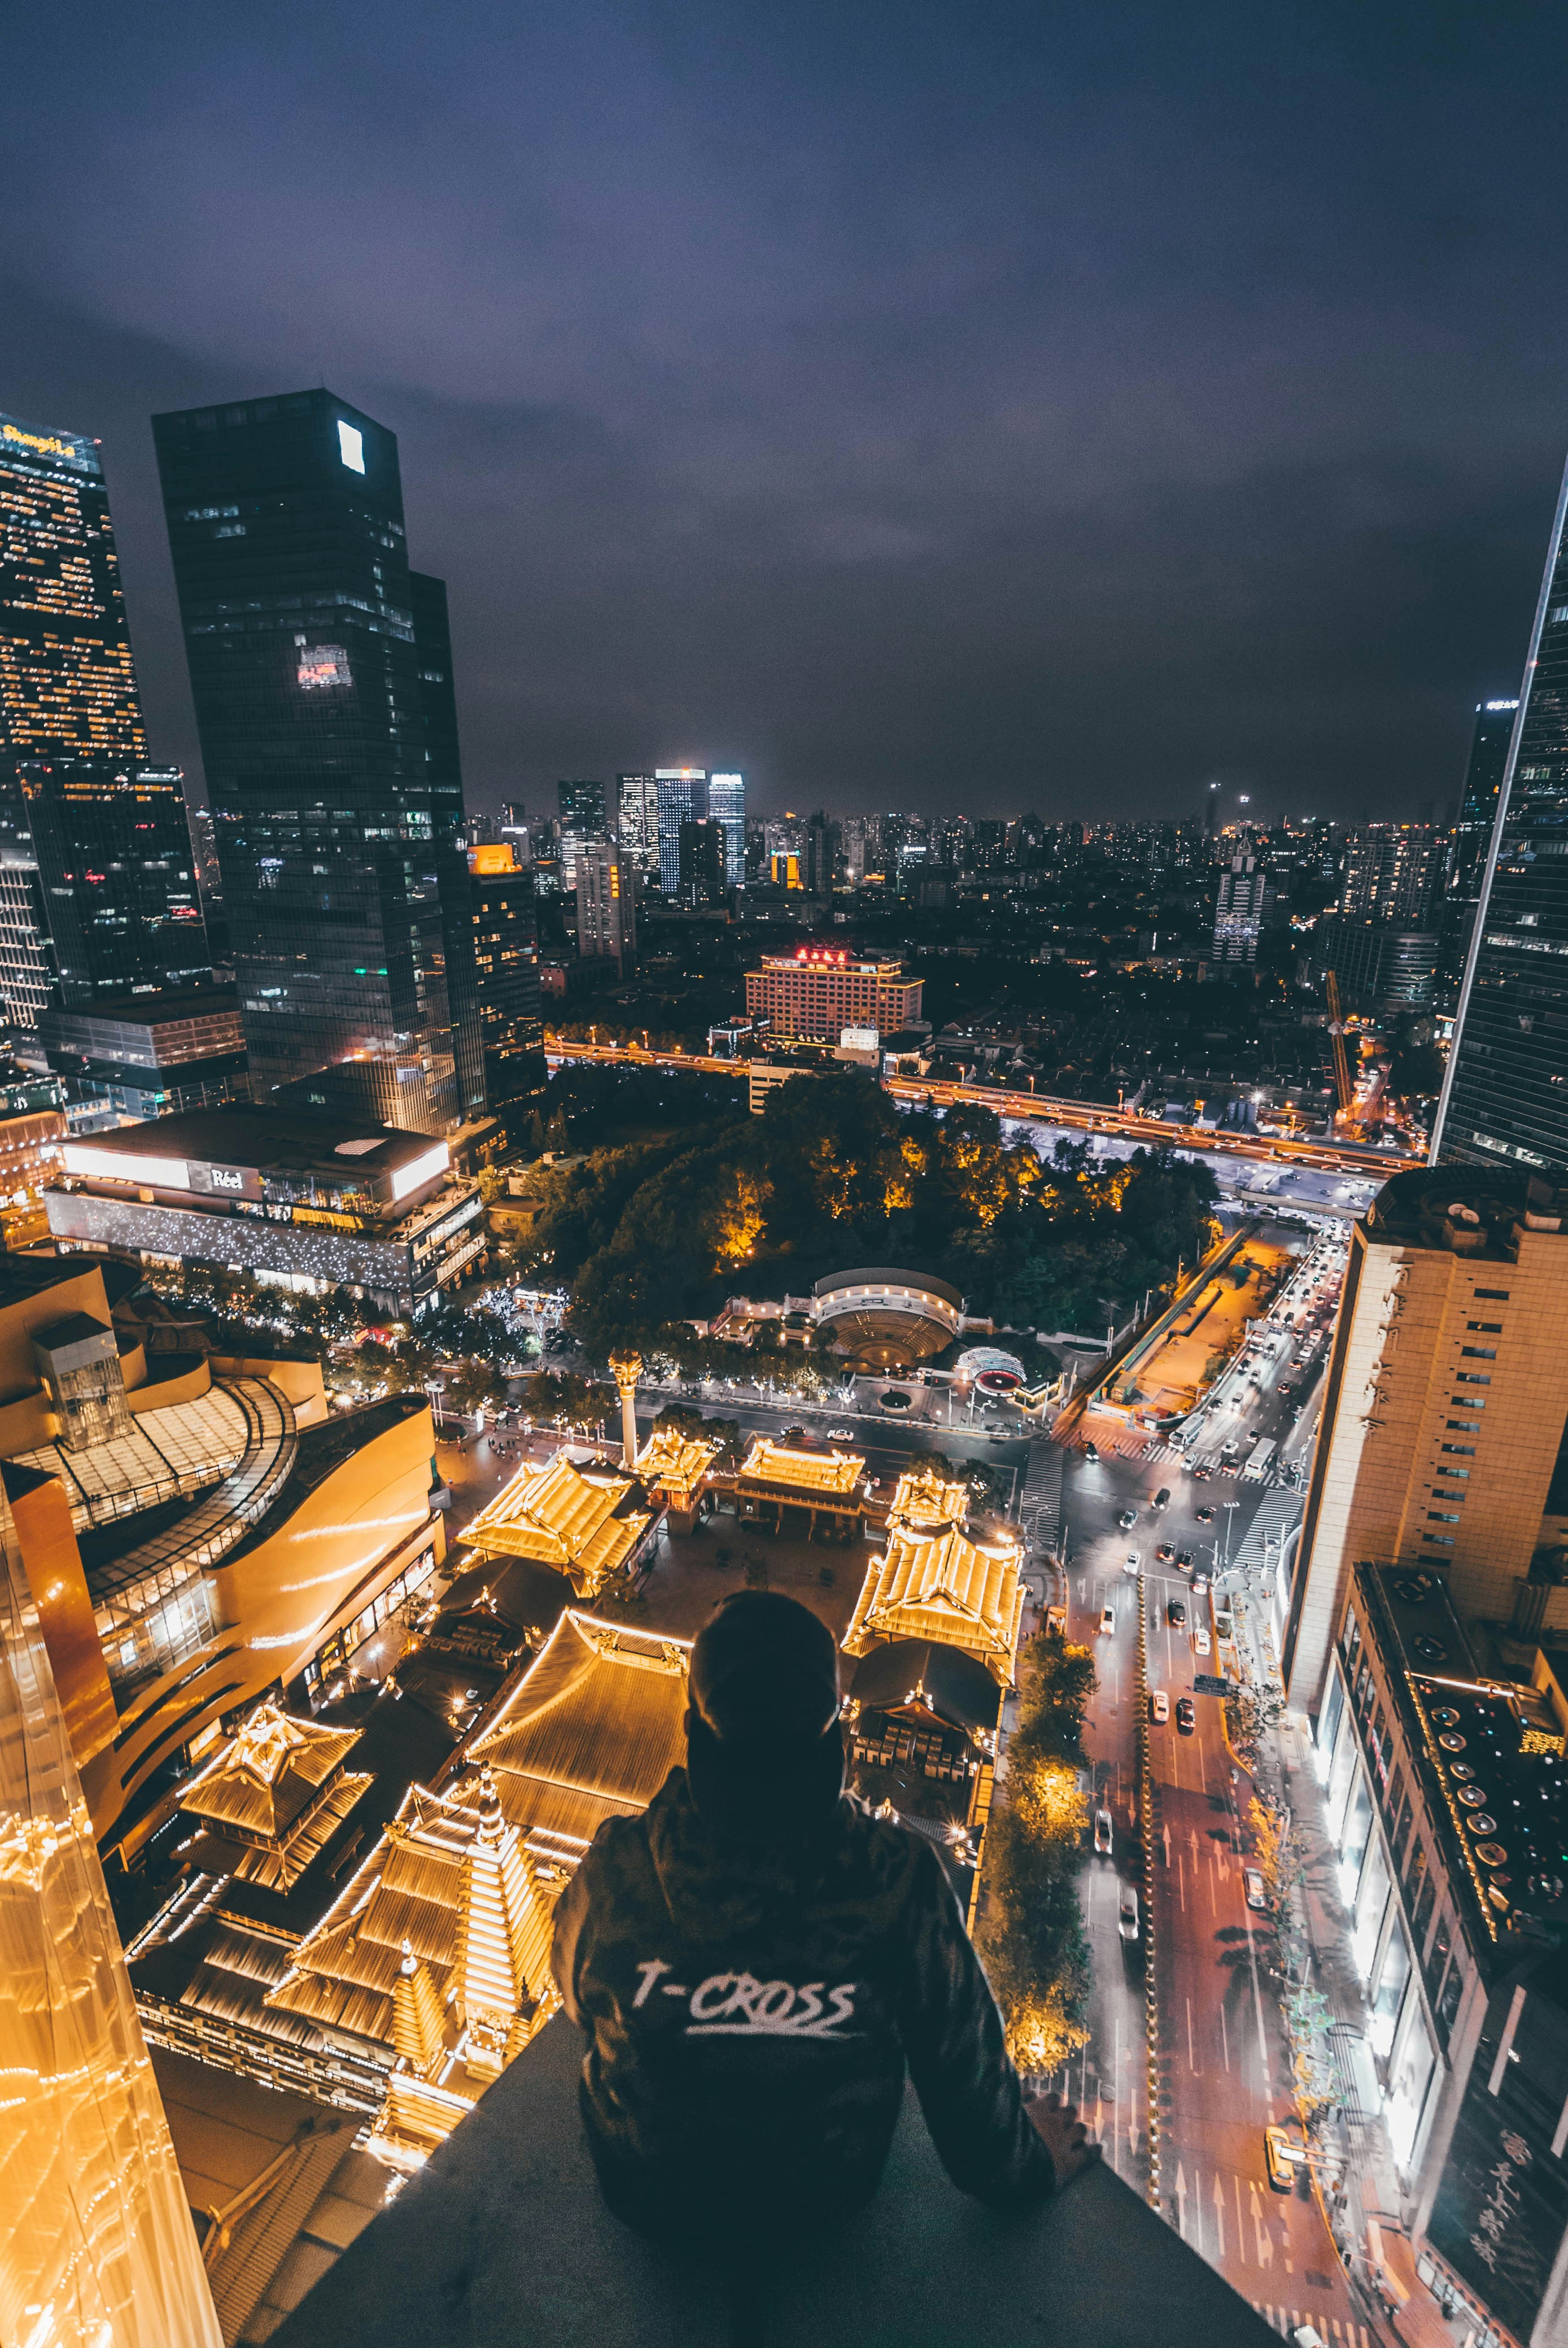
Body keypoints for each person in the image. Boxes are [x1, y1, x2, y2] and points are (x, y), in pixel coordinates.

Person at [551, 1589, 1097, 2245]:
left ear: (692, 1733)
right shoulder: (897, 1880)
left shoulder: (618, 1867)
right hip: (821, 2200)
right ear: (837, 1739)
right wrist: (1033, 2163)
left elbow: (575, 1998)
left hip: (645, 2193)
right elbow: (964, 2087)